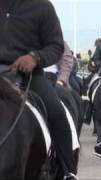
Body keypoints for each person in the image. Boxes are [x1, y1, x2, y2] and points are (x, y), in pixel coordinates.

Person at [0, 0, 77, 179]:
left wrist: (36, 57)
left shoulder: (42, 6)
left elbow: (56, 45)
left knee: (57, 112)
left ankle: (68, 171)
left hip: (29, 74)